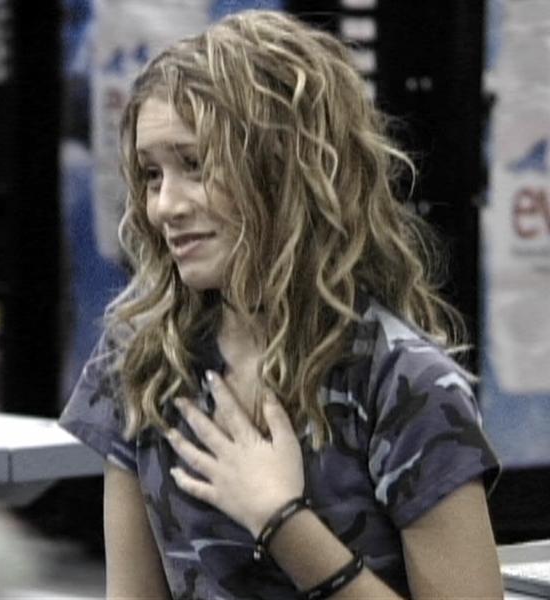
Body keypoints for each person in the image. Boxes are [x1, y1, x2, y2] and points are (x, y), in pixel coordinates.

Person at [60, 9, 502, 599]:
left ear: (284, 170)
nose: (165, 205)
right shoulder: (141, 357)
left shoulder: (403, 384)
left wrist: (281, 522)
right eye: (151, 174)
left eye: (195, 165)